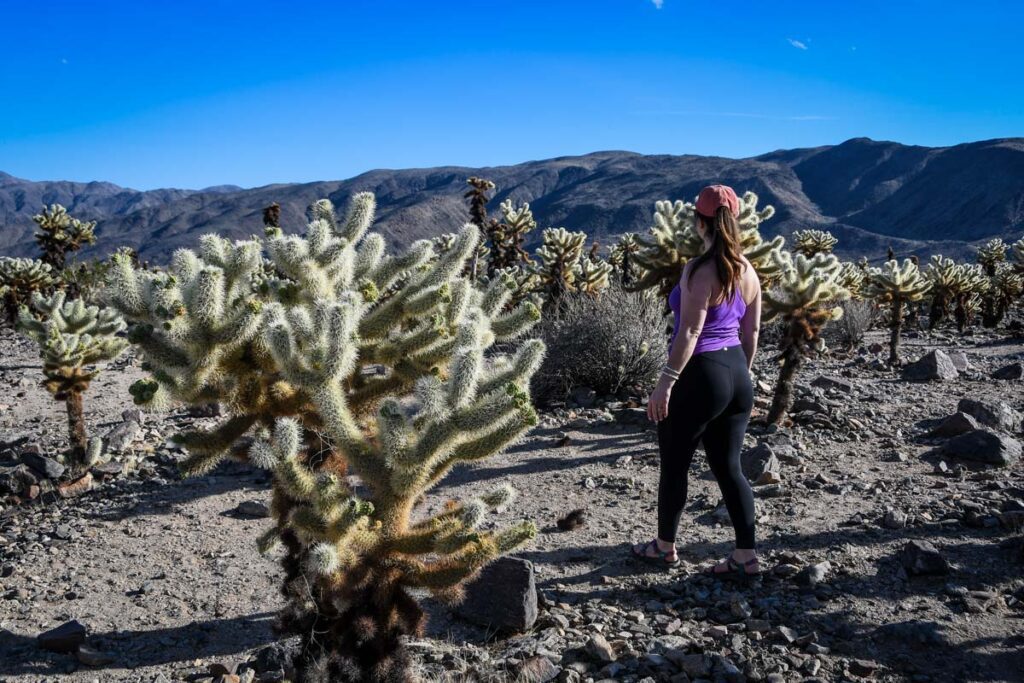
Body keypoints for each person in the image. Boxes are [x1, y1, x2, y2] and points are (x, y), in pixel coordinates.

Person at [631, 184, 762, 579]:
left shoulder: (700, 269)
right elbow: (752, 331)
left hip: (701, 373)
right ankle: (745, 556)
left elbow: (689, 331)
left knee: (675, 464)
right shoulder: (748, 270)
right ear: (735, 220)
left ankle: (664, 547)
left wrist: (665, 383)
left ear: (699, 220)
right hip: (738, 373)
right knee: (730, 467)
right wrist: (740, 372)